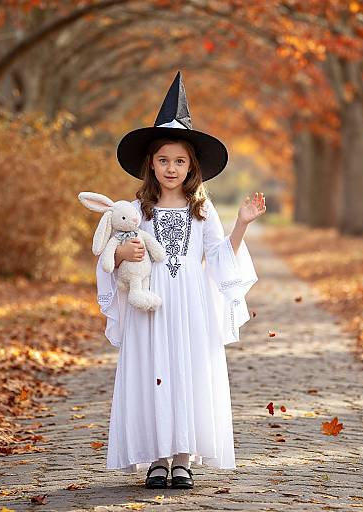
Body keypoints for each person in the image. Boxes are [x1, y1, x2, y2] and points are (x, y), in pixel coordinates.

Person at [95, 71, 266, 489]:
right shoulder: (136, 209)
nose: (171, 168)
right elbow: (107, 251)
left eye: (180, 161)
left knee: (187, 370)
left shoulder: (202, 210)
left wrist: (241, 224)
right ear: (151, 164)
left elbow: (219, 257)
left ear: (192, 167)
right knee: (152, 368)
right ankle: (156, 457)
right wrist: (120, 254)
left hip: (189, 302)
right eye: (163, 160)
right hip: (149, 302)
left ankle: (184, 456)